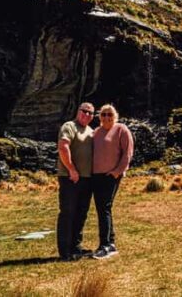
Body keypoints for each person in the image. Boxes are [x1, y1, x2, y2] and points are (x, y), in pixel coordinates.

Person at [91, 104, 134, 259]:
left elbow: (127, 153)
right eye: (103, 114)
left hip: (111, 176)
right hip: (96, 176)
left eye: (110, 114)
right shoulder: (96, 132)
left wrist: (116, 172)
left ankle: (104, 245)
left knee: (104, 208)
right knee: (103, 209)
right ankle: (111, 243)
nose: (107, 117)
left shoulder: (121, 129)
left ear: (115, 115)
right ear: (99, 117)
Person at [56, 102, 95, 261]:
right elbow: (63, 147)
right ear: (78, 111)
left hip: (86, 179)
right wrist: (72, 169)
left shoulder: (91, 131)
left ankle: (76, 247)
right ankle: (65, 252)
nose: (86, 115)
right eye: (84, 111)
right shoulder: (69, 126)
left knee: (81, 213)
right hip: (70, 178)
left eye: (90, 113)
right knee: (68, 213)